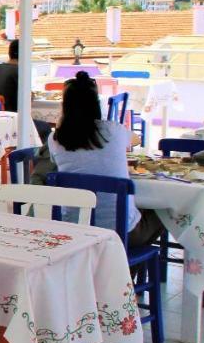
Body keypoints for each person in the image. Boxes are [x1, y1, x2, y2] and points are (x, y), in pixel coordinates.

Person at [48, 72, 163, 247]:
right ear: (96, 104)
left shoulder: (55, 139)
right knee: (167, 209)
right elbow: (136, 140)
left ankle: (116, 269)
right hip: (121, 233)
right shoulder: (113, 131)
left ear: (65, 106)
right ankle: (125, 269)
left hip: (74, 230)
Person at [0, 38, 53, 141]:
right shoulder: (19, 72)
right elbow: (27, 101)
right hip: (11, 124)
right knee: (45, 128)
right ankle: (32, 156)